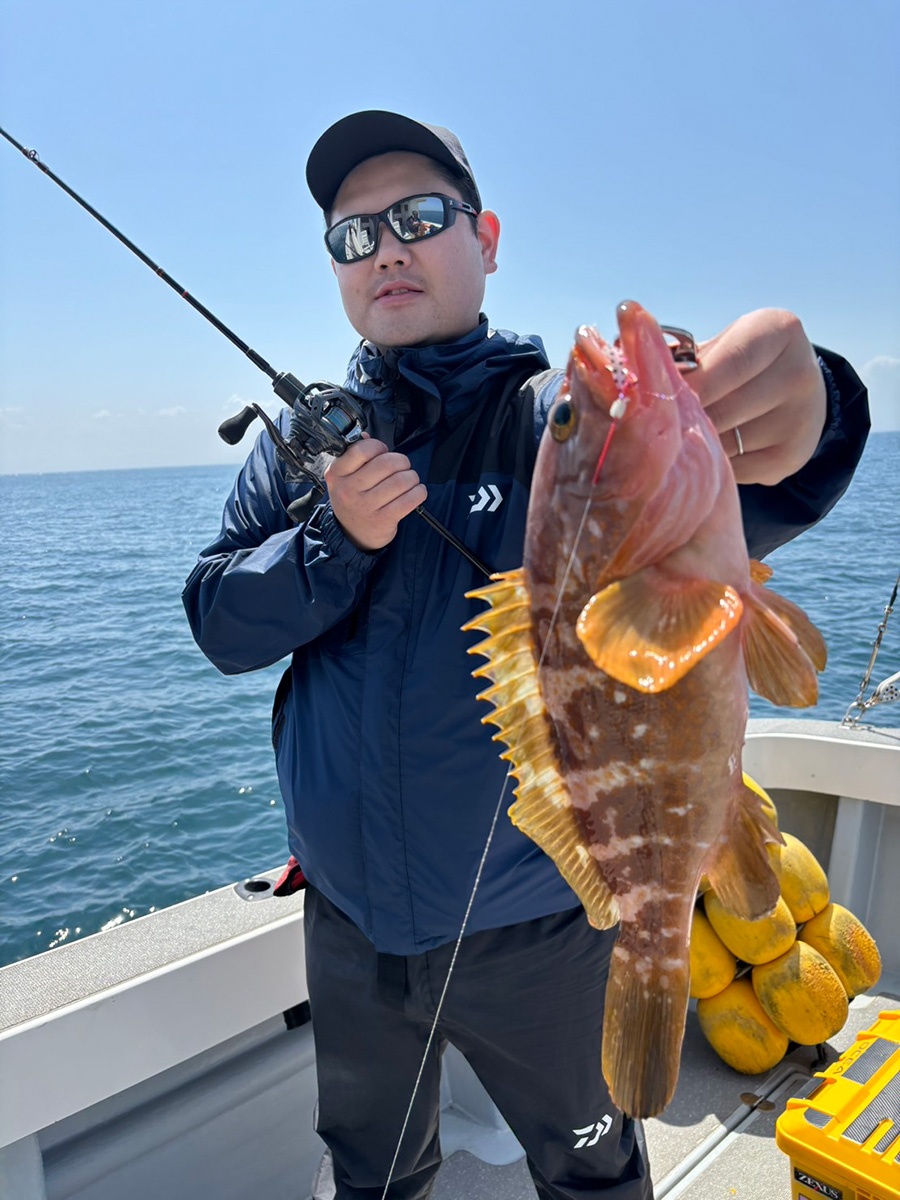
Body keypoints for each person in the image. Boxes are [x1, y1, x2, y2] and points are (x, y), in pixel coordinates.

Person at [183, 110, 870, 1199]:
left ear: (487, 238)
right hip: (348, 924)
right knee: (369, 1175)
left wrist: (820, 403)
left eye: (419, 216)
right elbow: (218, 621)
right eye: (354, 235)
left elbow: (736, 489)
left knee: (591, 1176)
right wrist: (334, 540)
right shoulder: (303, 450)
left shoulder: (548, 420)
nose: (387, 249)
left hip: (540, 924)